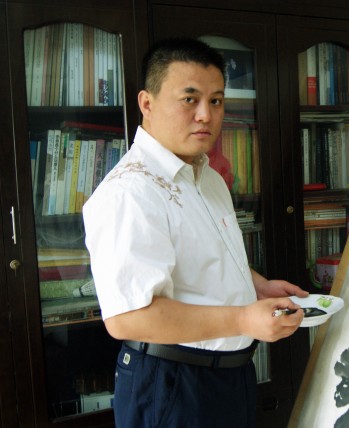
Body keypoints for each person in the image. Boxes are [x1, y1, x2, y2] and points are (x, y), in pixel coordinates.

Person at [83, 38, 308, 427]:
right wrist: (243, 319)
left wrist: (257, 286)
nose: (206, 115)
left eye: (216, 101)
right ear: (147, 103)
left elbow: (204, 255)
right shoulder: (130, 192)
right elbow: (128, 317)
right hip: (172, 382)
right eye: (189, 99)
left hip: (229, 375)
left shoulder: (207, 176)